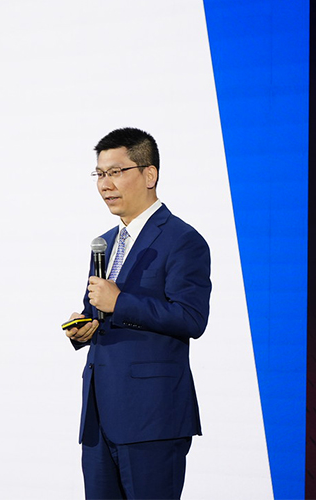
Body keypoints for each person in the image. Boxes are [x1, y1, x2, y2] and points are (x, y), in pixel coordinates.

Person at [65, 127, 211, 499]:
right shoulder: (105, 242)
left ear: (149, 174)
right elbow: (100, 308)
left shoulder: (183, 240)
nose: (105, 184)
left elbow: (191, 318)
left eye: (116, 172)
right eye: (100, 174)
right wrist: (84, 327)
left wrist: (121, 303)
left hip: (152, 419)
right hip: (99, 417)